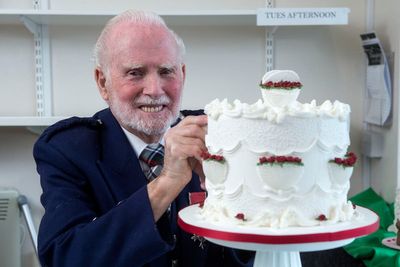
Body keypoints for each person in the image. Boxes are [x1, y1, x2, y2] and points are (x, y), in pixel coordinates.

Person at [33, 9, 254, 267]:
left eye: (166, 71)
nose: (154, 90)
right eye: (135, 72)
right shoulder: (69, 150)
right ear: (103, 83)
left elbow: (246, 251)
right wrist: (166, 183)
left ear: (182, 74)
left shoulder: (218, 135)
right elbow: (65, 257)